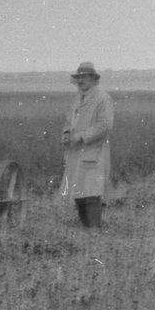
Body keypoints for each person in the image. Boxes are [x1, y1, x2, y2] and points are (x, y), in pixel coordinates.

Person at [61, 61, 113, 228]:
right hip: (76, 153)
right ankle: (87, 231)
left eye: (84, 77)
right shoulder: (77, 100)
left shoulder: (103, 98)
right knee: (79, 194)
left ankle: (95, 231)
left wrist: (83, 136)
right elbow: (68, 121)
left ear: (93, 78)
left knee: (92, 193)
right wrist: (66, 134)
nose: (81, 80)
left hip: (94, 152)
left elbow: (105, 125)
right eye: (78, 77)